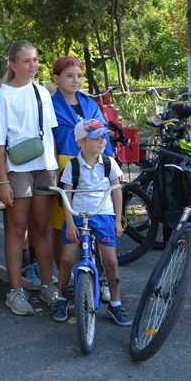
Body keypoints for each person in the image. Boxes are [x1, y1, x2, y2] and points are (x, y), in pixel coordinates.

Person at [0, 40, 60, 317]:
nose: (33, 65)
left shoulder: (42, 91)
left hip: (43, 166)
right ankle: (15, 290)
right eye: (26, 61)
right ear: (12, 64)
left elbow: (50, 132)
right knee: (17, 229)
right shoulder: (5, 95)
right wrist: (3, 181)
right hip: (18, 168)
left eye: (35, 60)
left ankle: (46, 284)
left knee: (41, 228)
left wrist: (53, 169)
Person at [49, 56, 115, 322]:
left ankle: (102, 281)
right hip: (66, 166)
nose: (74, 80)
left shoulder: (90, 103)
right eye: (69, 76)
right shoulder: (50, 104)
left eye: (78, 76)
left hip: (94, 168)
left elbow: (103, 136)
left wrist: (109, 163)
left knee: (99, 226)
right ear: (56, 78)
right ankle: (64, 288)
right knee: (65, 229)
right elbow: (49, 138)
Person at [59, 119, 130, 327]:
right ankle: (62, 298)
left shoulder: (109, 163)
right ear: (81, 142)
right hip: (78, 215)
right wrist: (70, 223)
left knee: (111, 261)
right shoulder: (72, 166)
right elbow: (66, 195)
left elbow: (117, 193)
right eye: (95, 138)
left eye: (103, 137)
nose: (101, 141)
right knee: (66, 259)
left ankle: (115, 303)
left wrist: (118, 220)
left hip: (104, 215)